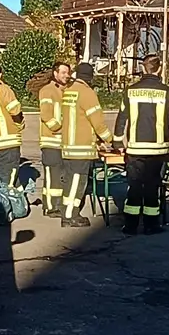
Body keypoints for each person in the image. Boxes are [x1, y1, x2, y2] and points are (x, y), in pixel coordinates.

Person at [114, 54, 169, 235]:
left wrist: (117, 140)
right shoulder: (167, 92)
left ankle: (130, 226)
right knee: (152, 186)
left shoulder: (130, 91)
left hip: (135, 149)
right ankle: (152, 225)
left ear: (143, 69)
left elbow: (122, 117)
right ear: (159, 69)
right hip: (158, 150)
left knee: (134, 186)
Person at [58, 62, 113, 228]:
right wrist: (110, 139)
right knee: (77, 182)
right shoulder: (87, 92)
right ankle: (70, 216)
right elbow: (97, 121)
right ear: (90, 77)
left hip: (68, 144)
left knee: (69, 181)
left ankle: (67, 211)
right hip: (80, 147)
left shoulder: (69, 90)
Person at [36, 63, 71, 217]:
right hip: (51, 140)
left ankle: (56, 204)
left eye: (68, 73)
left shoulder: (66, 91)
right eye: (63, 72)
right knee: (52, 175)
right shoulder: (47, 91)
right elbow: (46, 115)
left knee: (60, 175)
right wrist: (59, 129)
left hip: (63, 142)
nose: (66, 75)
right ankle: (50, 207)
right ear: (55, 73)